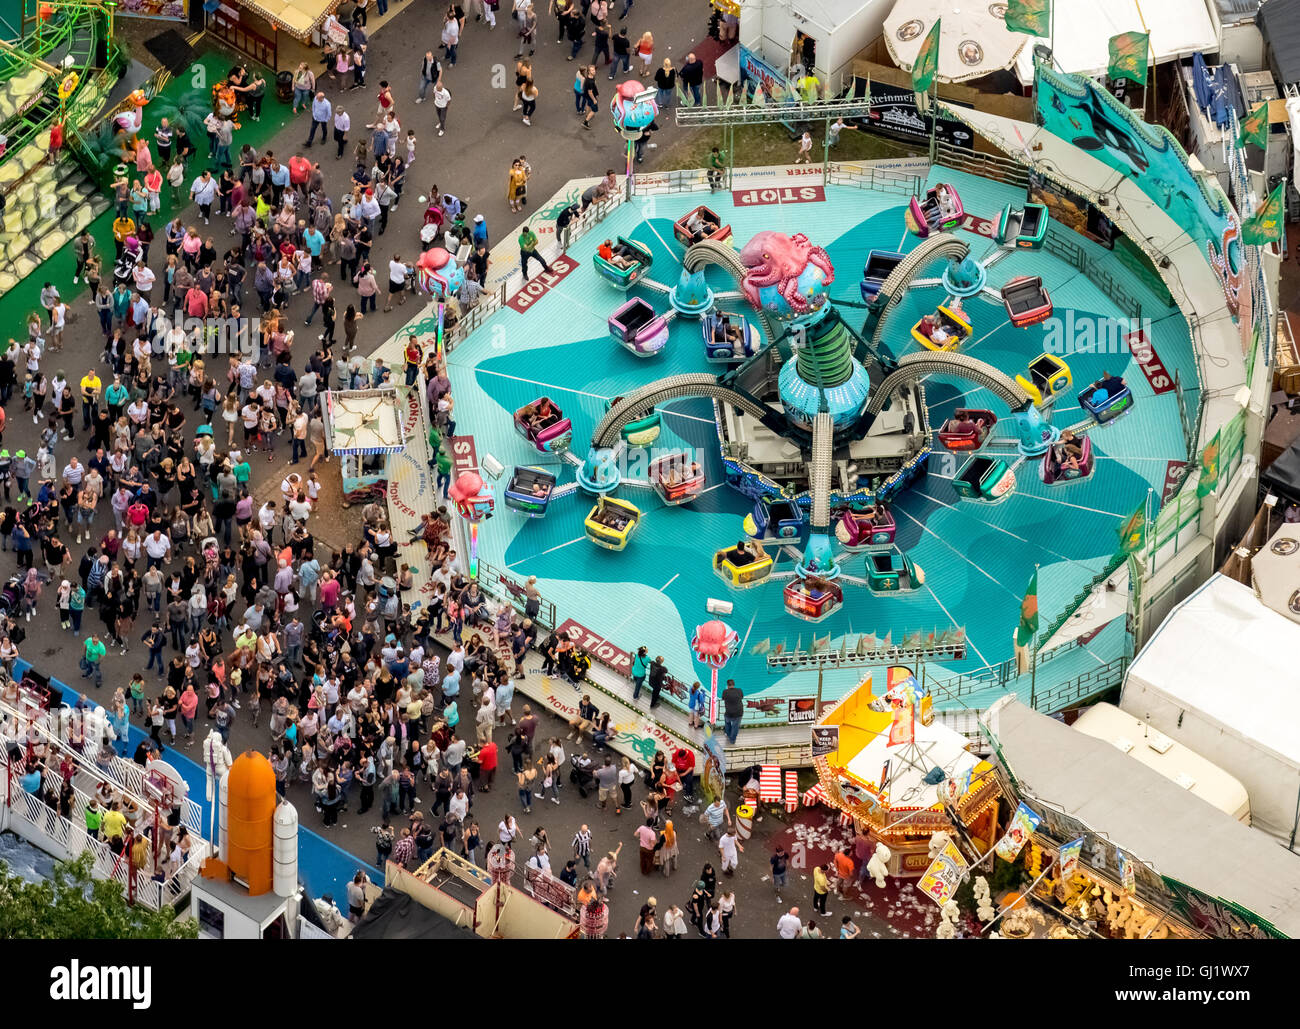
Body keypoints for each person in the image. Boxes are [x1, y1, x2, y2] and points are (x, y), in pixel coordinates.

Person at [721, 678, 744, 744]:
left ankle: (728, 734)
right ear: (734, 684)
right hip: (738, 712)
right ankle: (732, 740)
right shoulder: (739, 690)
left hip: (729, 712)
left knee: (727, 723)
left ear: (727, 685)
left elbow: (723, 698)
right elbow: (742, 697)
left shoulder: (725, 692)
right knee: (735, 727)